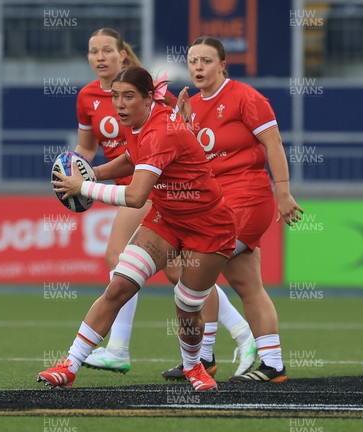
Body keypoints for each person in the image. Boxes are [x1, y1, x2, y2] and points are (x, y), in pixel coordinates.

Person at [39, 66, 237, 392]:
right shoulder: (138, 121)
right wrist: (91, 174)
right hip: (168, 220)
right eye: (115, 96)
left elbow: (134, 196)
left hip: (209, 228)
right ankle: (70, 365)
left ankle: (194, 367)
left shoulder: (162, 132)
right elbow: (131, 159)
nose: (119, 103)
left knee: (187, 306)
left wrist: (83, 187)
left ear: (148, 98)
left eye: (128, 96)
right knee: (119, 286)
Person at [77, 28, 256, 378]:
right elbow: (87, 146)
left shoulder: (149, 94)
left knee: (118, 258)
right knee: (178, 273)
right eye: (92, 51)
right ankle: (238, 335)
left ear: (122, 56)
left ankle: (118, 348)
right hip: (130, 182)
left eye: (107, 51)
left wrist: (86, 185)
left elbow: (180, 131)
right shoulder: (86, 97)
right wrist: (81, 169)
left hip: (150, 189)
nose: (100, 57)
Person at [162, 36, 304, 383]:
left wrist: (283, 193)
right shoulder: (191, 105)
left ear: (223, 65)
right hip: (215, 205)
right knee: (246, 284)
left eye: (206, 61)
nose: (198, 66)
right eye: (193, 60)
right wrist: (180, 123)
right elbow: (189, 158)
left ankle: (202, 358)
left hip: (248, 199)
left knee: (195, 269)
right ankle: (272, 366)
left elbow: (273, 144)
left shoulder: (245, 97)